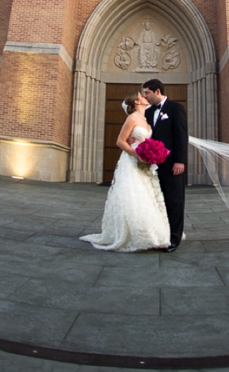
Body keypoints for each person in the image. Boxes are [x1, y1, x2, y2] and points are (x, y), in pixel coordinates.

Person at [80, 92, 170, 252]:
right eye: (142, 95)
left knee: (147, 195)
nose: (145, 97)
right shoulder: (132, 118)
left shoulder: (147, 119)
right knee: (133, 194)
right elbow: (120, 141)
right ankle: (134, 234)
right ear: (137, 101)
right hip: (131, 161)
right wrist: (138, 155)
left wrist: (152, 153)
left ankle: (151, 232)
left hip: (145, 163)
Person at [142, 79, 188, 252]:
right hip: (154, 166)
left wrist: (180, 160)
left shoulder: (175, 108)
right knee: (159, 202)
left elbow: (181, 136)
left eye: (147, 93)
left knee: (174, 201)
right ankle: (161, 235)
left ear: (157, 91)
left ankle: (174, 239)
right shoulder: (148, 112)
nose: (145, 96)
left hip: (172, 164)